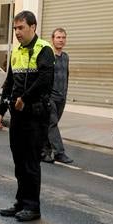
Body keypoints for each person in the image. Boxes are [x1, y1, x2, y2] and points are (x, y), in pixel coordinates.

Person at [0, 10, 54, 222]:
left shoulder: (44, 49)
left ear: (33, 27)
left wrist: (25, 98)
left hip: (36, 115)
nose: (17, 32)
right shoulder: (17, 52)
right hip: (17, 115)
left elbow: (45, 80)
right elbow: (9, 83)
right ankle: (20, 202)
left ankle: (32, 206)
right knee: (19, 161)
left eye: (21, 28)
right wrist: (0, 111)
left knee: (30, 161)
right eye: (15, 28)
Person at [42, 27, 73, 165]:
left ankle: (45, 152)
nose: (61, 40)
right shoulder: (49, 56)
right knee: (52, 123)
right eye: (58, 37)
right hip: (50, 96)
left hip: (62, 97)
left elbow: (66, 75)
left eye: (63, 37)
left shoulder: (65, 57)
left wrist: (65, 93)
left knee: (50, 125)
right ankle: (60, 153)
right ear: (52, 39)